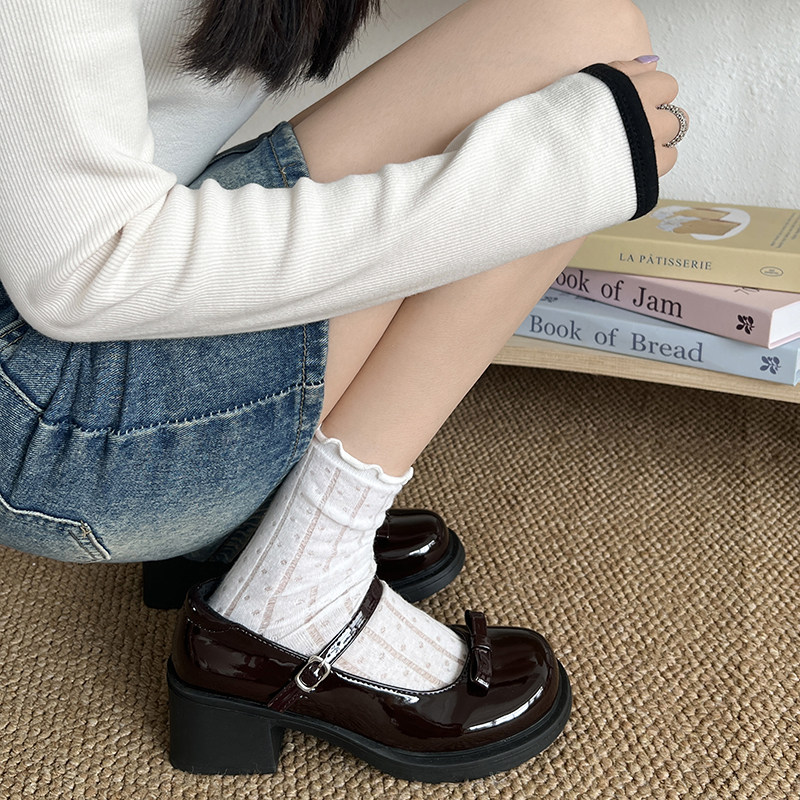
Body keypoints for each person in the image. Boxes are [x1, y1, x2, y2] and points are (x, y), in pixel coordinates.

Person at [0, 0, 687, 784]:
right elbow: (84, 274)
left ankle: (268, 529)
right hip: (47, 415)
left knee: (575, 30)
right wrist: (538, 179)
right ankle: (294, 594)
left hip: (56, 302)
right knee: (572, 113)